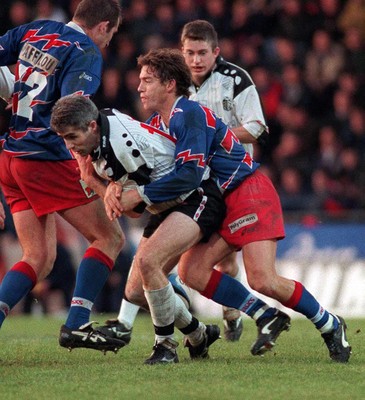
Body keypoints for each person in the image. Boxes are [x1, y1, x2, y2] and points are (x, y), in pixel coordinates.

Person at [128, 48, 350, 364]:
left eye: (147, 80)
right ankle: (259, 314)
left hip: (246, 191)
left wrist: (141, 194)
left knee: (262, 279)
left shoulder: (187, 113)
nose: (139, 87)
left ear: (169, 85)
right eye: (140, 80)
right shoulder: (157, 123)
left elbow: (188, 175)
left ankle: (329, 323)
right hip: (217, 201)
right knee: (192, 271)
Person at [98, 18, 270, 343]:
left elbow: (258, 126)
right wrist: (114, 185)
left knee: (220, 263)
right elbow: (140, 156)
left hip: (226, 180)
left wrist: (213, 137)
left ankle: (239, 315)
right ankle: (197, 330)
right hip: (186, 189)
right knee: (150, 278)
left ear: (215, 52)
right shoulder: (162, 112)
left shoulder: (233, 80)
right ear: (181, 53)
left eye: (201, 52)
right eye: (188, 53)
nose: (195, 60)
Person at [50, 94, 222, 363]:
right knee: (135, 293)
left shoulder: (121, 148)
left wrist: (101, 186)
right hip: (166, 204)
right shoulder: (99, 129)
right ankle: (199, 333)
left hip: (195, 196)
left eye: (72, 137)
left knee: (147, 262)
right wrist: (110, 187)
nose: (69, 145)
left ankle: (166, 347)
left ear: (92, 126)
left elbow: (132, 209)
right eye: (64, 138)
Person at [0, 0, 127, 353]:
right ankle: (76, 324)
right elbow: (71, 112)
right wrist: (89, 166)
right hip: (45, 158)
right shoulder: (85, 51)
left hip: (11, 157)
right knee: (109, 238)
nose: (108, 42)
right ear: (102, 26)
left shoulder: (33, 29)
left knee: (37, 257)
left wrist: (11, 87)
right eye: (111, 34)